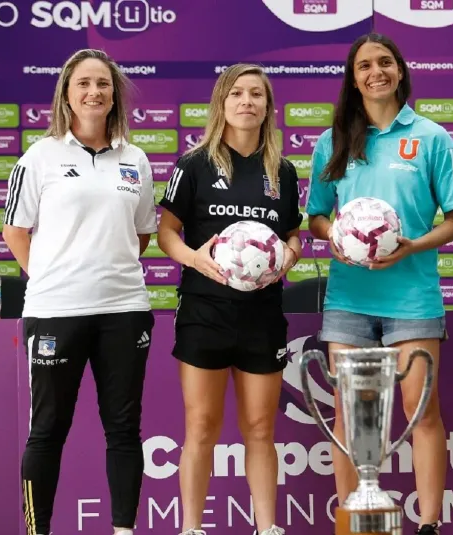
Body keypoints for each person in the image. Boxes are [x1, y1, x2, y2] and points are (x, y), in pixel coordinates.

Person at [306, 33, 453, 534]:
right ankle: (352, 519)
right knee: (348, 422)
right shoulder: (333, 141)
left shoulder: (432, 137)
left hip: (412, 299)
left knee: (422, 414)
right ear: (352, 80)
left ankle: (429, 526)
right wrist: (333, 236)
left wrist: (411, 246)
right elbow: (315, 215)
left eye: (384, 63)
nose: (375, 72)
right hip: (349, 301)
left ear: (399, 71)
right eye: (364, 67)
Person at [2, 49, 158, 535]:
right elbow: (15, 230)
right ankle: (36, 530)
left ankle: (123, 530)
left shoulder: (135, 159)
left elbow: (142, 233)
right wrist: (50, 276)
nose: (95, 92)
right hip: (55, 313)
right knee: (47, 431)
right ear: (66, 94)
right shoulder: (39, 156)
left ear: (115, 95)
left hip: (124, 311)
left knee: (125, 431)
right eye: (84, 84)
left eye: (104, 85)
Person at [157, 63, 303, 535]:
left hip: (262, 315)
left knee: (260, 428)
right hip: (205, 311)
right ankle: (192, 528)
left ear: (267, 106)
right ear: (222, 103)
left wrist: (287, 258)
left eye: (256, 94)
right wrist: (196, 260)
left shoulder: (281, 170)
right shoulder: (194, 164)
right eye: (237, 93)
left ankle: (266, 528)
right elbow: (166, 233)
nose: (247, 102)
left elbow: (294, 236)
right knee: (201, 425)